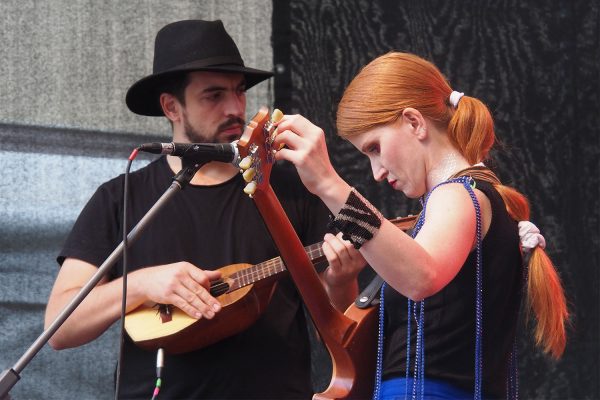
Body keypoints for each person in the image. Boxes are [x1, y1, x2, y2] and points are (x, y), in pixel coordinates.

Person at [44, 20, 365, 399]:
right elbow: (59, 328)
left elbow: (340, 332)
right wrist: (144, 283)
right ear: (171, 106)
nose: (235, 108)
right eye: (214, 96)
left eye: (239, 92)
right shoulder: (121, 198)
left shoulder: (289, 192)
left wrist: (342, 281)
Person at [273, 52, 569, 399]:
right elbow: (366, 343)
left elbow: (420, 277)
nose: (376, 172)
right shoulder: (464, 201)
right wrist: (342, 283)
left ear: (414, 122)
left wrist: (328, 184)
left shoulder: (459, 195)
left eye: (375, 148)